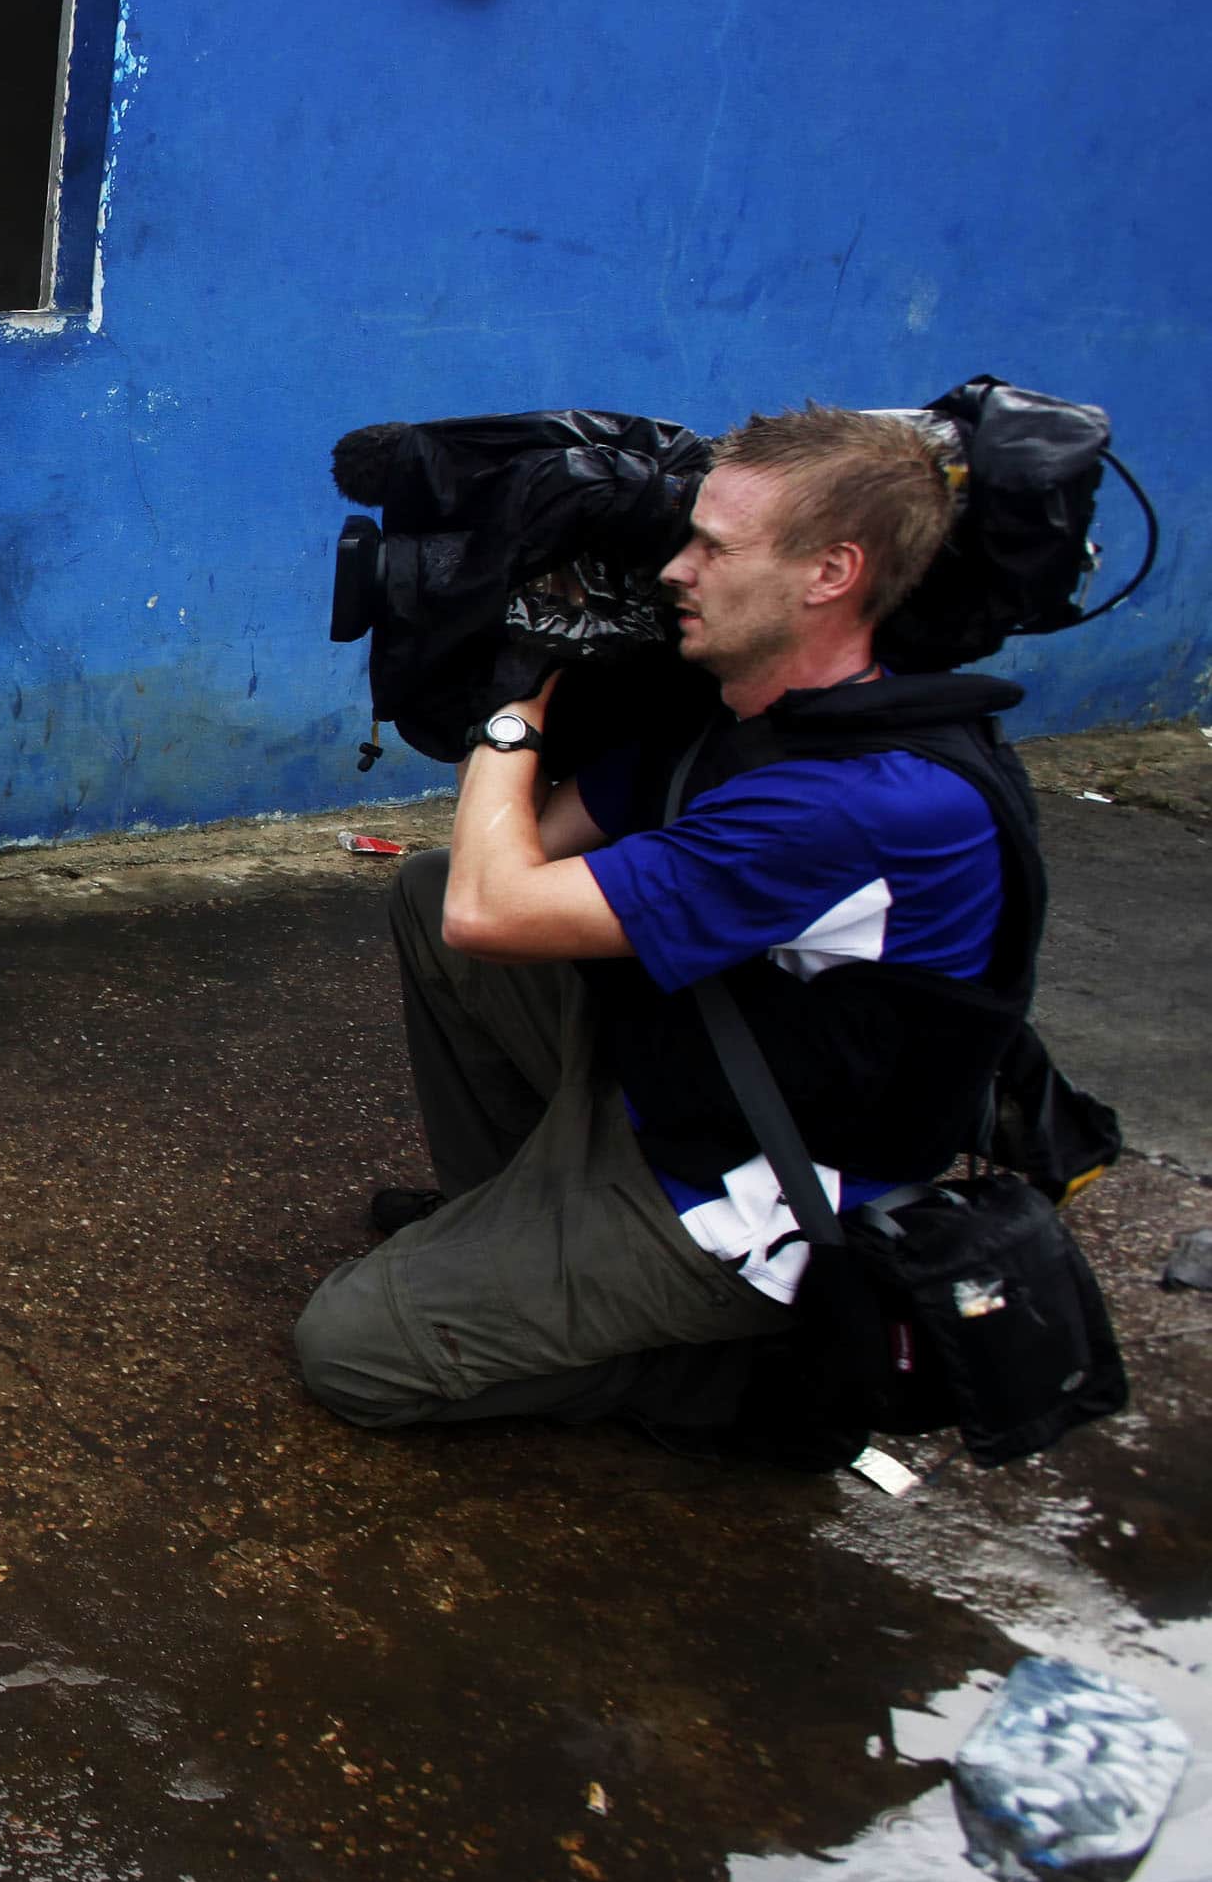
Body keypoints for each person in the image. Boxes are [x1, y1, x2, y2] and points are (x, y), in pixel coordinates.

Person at [294, 406, 1048, 1431]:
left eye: (710, 547)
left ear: (827, 573)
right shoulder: (747, 707)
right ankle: (507, 1214)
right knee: (423, 888)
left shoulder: (859, 797)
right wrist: (559, 666)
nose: (673, 570)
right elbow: (518, 850)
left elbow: (492, 906)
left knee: (351, 1352)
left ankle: (752, 1380)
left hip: (759, 1181)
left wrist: (512, 707)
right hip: (684, 1076)